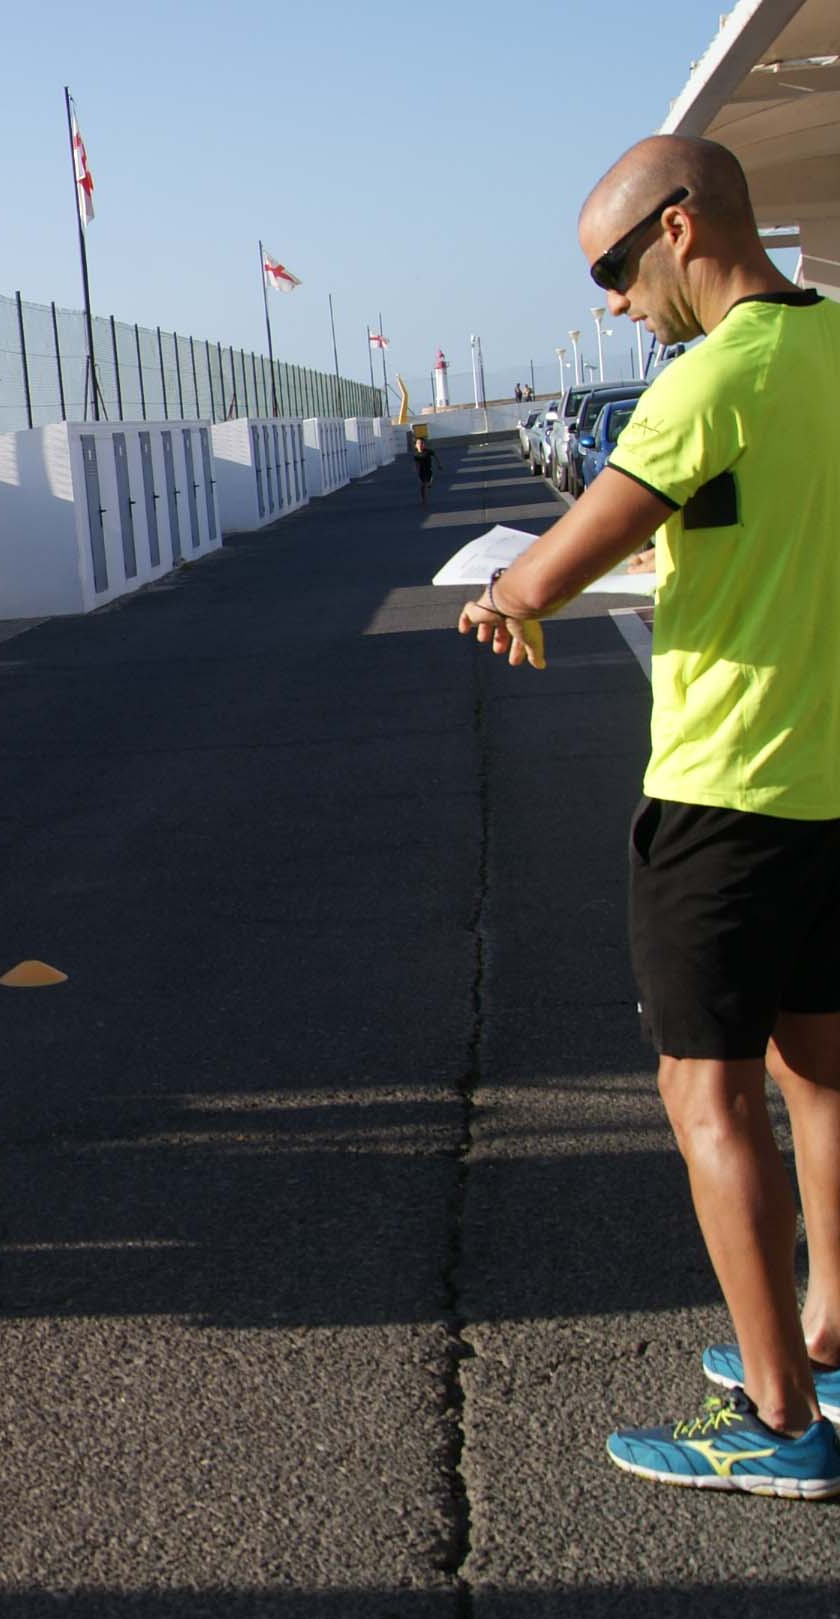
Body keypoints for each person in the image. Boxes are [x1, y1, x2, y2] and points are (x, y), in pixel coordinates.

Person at [456, 135, 840, 1497]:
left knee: (704, 1093)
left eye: (613, 271)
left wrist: (505, 600)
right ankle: (824, 1343)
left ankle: (782, 1424)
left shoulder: (704, 384)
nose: (616, 303)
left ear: (679, 227)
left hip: (725, 794)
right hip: (832, 785)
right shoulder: (830, 348)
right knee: (820, 1073)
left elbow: (550, 568)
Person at [411, 428, 435, 506]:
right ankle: (423, 499)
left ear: (424, 444)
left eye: (422, 443)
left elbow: (435, 456)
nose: (420, 445)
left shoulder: (428, 451)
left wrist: (439, 464)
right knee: (422, 485)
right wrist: (415, 469)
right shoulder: (416, 455)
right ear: (415, 446)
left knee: (429, 480)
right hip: (421, 471)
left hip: (428, 469)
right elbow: (415, 463)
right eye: (418, 444)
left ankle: (429, 483)